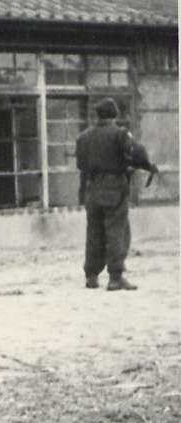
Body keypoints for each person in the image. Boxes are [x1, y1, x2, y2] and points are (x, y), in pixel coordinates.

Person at [76, 98, 158, 291]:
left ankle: (91, 276)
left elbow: (80, 164)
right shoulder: (120, 134)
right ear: (115, 115)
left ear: (98, 115)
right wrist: (147, 166)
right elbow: (137, 153)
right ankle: (115, 277)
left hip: (92, 188)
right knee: (116, 232)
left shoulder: (84, 137)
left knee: (94, 233)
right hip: (114, 187)